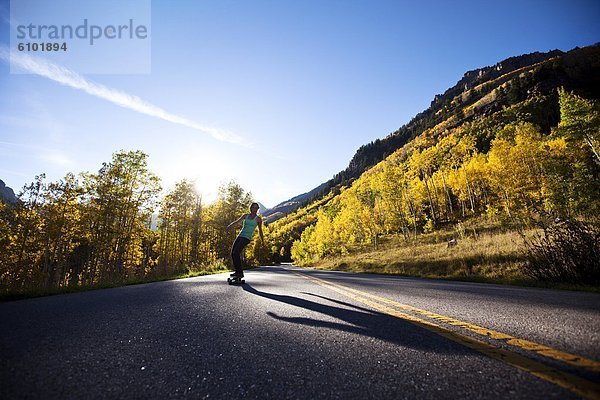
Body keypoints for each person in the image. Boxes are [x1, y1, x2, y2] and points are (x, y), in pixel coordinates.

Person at [225, 202, 264, 279]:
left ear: (258, 209)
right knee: (233, 253)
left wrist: (262, 241)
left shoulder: (258, 219)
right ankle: (237, 272)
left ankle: (240, 273)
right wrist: (230, 226)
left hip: (247, 238)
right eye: (253, 207)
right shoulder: (245, 216)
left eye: (256, 208)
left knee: (236, 252)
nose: (255, 209)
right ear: (251, 208)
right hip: (240, 236)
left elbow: (260, 230)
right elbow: (237, 222)